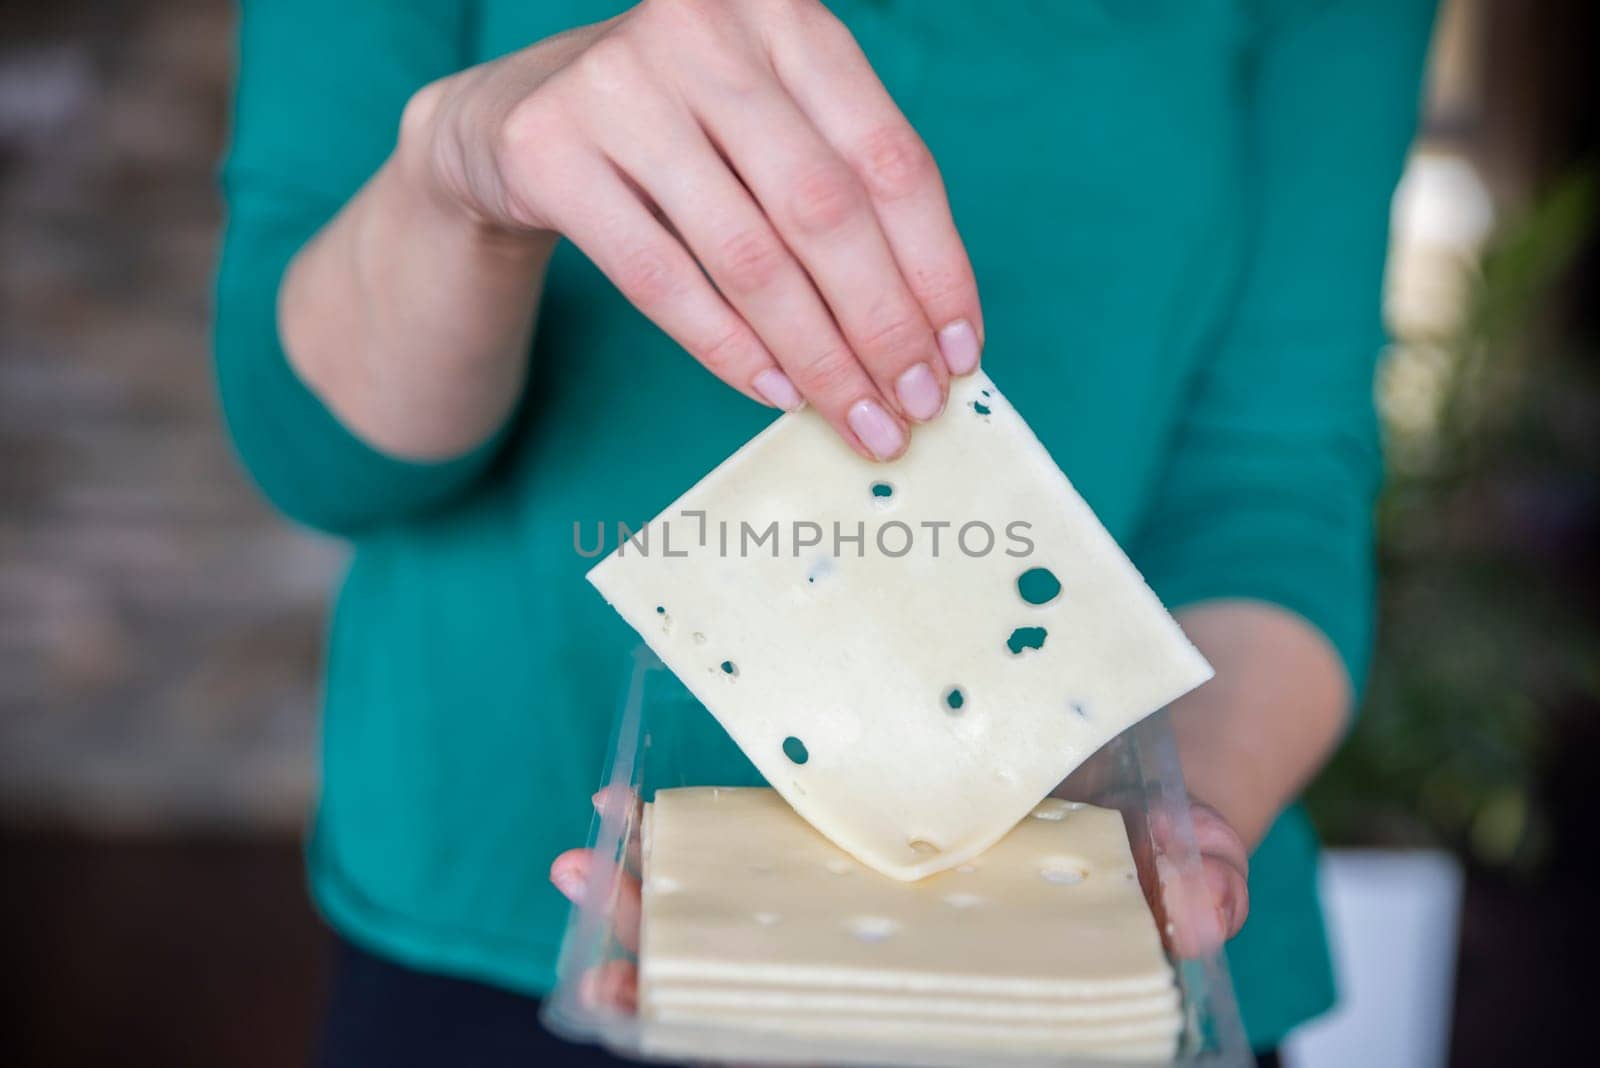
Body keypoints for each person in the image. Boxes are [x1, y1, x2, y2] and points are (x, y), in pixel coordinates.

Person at [214, 1, 1436, 1064]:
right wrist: (457, 172)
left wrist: (1152, 842)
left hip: (1100, 979)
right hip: (498, 913)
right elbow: (319, 459)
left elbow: (1271, 491)